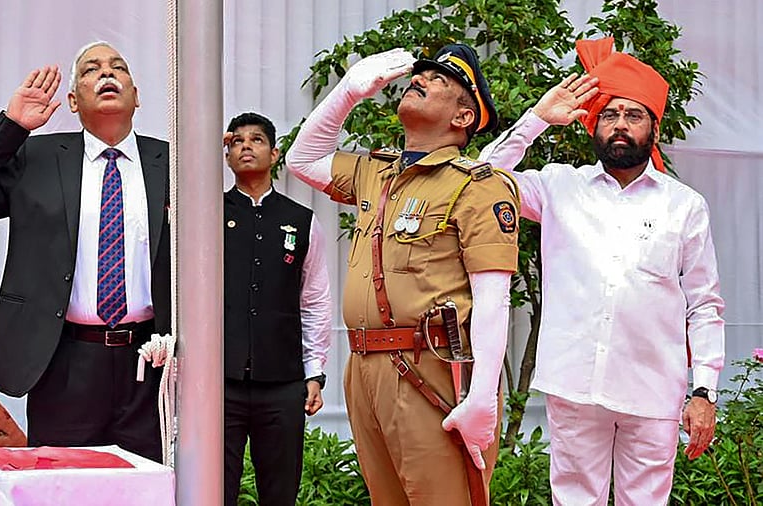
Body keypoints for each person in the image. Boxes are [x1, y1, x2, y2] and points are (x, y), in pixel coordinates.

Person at [480, 37, 725, 505]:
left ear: (654, 127)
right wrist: (536, 119)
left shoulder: (685, 206)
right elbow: (479, 181)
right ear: (593, 124)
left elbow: (705, 305)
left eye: (633, 116)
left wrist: (704, 391)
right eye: (610, 115)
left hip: (654, 390)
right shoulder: (557, 186)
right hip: (574, 385)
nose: (619, 126)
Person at [287, 45, 520, 505]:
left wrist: (484, 397)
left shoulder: (476, 185)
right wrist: (348, 91)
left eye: (440, 81)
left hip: (429, 367)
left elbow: (494, 298)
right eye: (422, 74)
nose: (422, 80)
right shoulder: (378, 171)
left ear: (463, 117)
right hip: (365, 368)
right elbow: (302, 160)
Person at [0, 41, 171, 462]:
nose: (106, 74)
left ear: (136, 96)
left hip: (149, 362)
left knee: (144, 486)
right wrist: (13, 126)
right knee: (62, 483)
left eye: (119, 67)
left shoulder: (172, 162)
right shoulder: (39, 156)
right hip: (63, 360)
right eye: (91, 70)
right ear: (71, 101)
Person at [222, 112, 331, 505]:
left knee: (280, 491)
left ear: (275, 153)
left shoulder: (300, 220)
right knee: (214, 490)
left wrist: (314, 371)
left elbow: (314, 298)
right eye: (236, 142)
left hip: (282, 384)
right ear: (226, 154)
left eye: (256, 140)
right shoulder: (206, 215)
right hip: (221, 383)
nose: (246, 147)